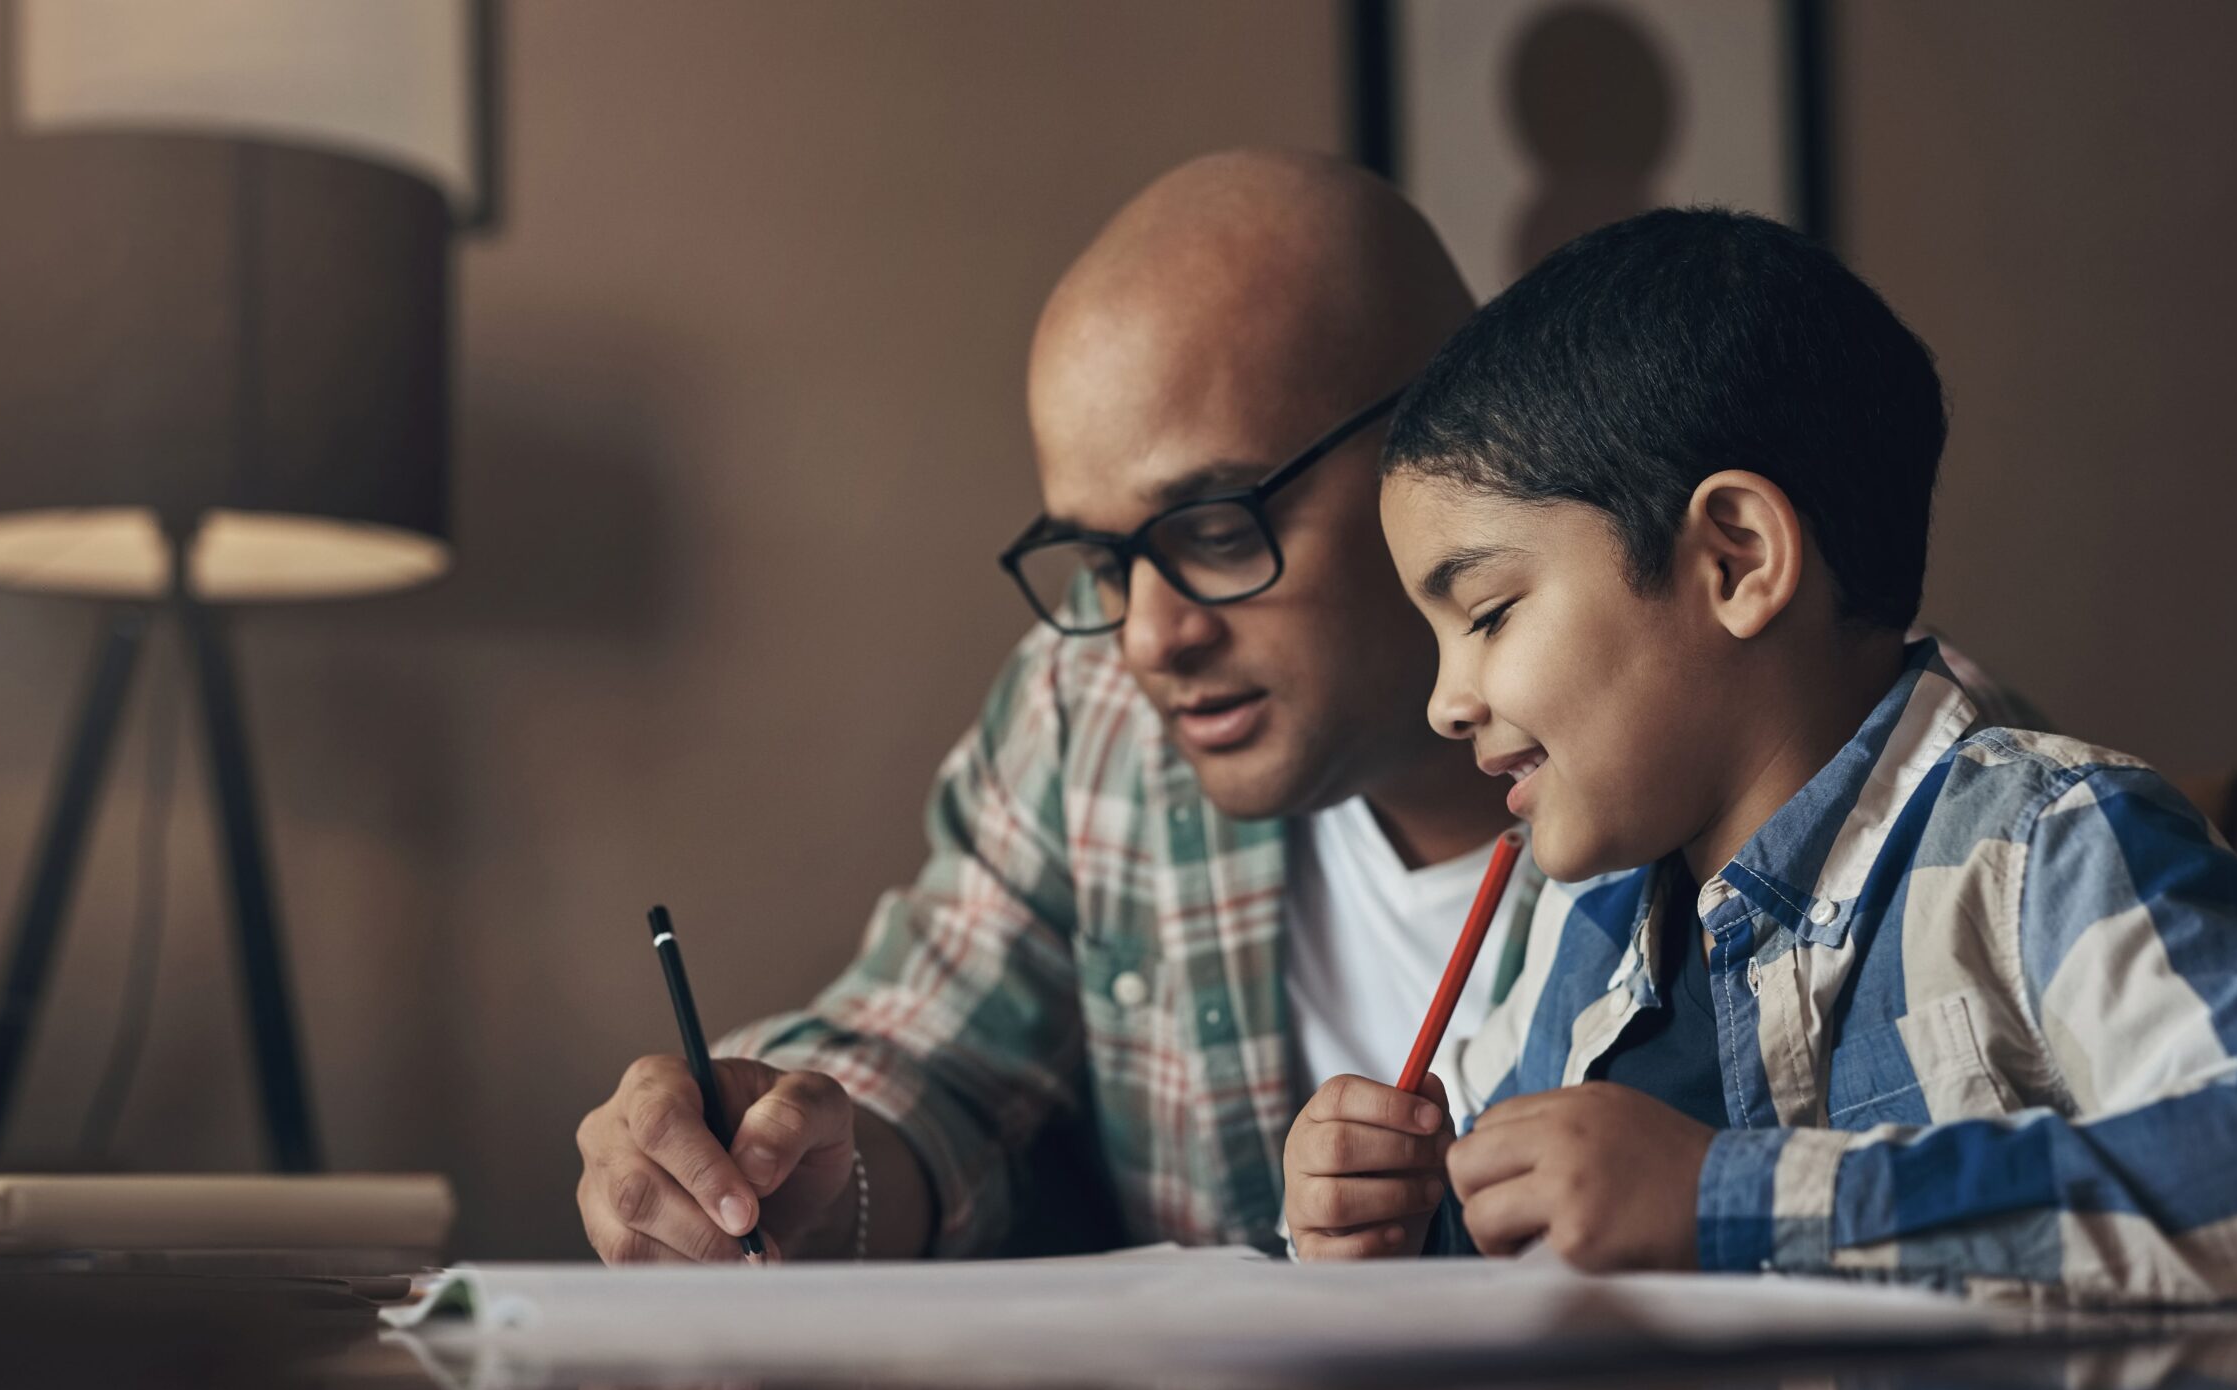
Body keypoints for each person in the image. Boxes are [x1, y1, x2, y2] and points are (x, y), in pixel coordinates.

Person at [573, 153, 2025, 1270]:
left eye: (1212, 526)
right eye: (1096, 555)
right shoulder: (1095, 714)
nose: (1148, 637)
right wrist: (794, 1167)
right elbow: (932, 1057)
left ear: (1438, 456)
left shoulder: (1820, 789)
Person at [1286, 207, 2237, 1302]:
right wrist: (1397, 1218)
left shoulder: (2041, 853)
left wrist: (1730, 1196)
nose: (1444, 703)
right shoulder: (1584, 938)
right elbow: (1519, 1249)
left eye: (1484, 614)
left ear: (1736, 560)